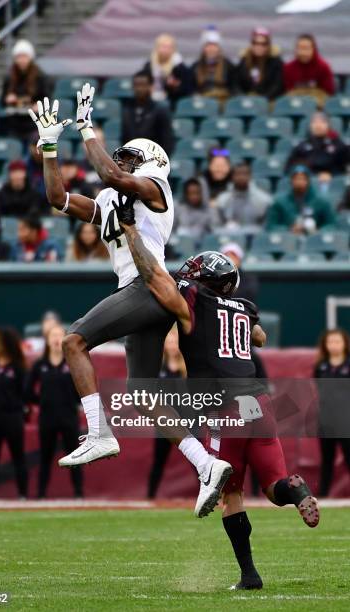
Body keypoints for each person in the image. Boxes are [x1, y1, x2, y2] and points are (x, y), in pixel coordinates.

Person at [28, 88, 232, 519]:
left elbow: (113, 177)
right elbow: (58, 199)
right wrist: (48, 148)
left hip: (147, 285)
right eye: (120, 158)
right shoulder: (110, 199)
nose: (121, 163)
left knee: (73, 341)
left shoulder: (156, 188)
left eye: (129, 159)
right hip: (142, 292)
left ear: (151, 164)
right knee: (142, 392)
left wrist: (86, 129)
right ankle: (207, 465)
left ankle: (100, 432)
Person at [118, 202, 320, 590]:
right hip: (258, 403)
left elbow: (154, 278)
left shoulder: (196, 301)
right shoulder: (243, 308)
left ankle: (249, 575)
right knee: (274, 485)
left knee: (229, 491)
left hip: (221, 408)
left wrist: (131, 234)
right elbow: (258, 336)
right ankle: (296, 491)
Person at [25, 325, 83, 498]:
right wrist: (41, 402)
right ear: (47, 340)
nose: (56, 339)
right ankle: (41, 494)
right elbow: (27, 390)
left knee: (75, 457)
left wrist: (76, 403)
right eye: (53, 336)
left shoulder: (71, 363)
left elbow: (82, 385)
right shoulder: (39, 365)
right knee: (45, 457)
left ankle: (78, 494)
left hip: (69, 417)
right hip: (47, 418)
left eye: (60, 335)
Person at [0, 327, 28, 498]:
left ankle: (22, 494)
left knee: (18, 457)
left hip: (12, 418)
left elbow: (24, 392)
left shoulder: (18, 368)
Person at [148, 326, 187, 499]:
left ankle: (208, 494)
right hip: (165, 423)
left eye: (175, 341)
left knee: (197, 459)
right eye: (169, 341)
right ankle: (150, 497)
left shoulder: (186, 367)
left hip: (185, 422)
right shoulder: (158, 366)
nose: (172, 345)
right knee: (158, 462)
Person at [314, 329, 350, 497]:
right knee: (327, 460)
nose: (334, 345)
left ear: (344, 343)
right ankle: (323, 496)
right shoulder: (321, 366)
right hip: (327, 420)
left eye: (337, 341)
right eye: (330, 342)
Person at [0, 39, 50, 140]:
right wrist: (7, 99)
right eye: (19, 57)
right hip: (14, 121)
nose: (22, 60)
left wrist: (39, 106)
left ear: (30, 58)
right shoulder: (9, 77)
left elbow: (47, 97)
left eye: (25, 56)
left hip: (34, 121)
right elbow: (2, 101)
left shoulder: (39, 76)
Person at [266, 165, 336, 233]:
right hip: (288, 239)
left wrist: (317, 232)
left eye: (303, 179)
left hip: (313, 240)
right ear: (291, 181)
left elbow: (331, 225)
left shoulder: (321, 201)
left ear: (308, 181)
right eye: (296, 179)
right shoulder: (280, 202)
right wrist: (289, 230)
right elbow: (271, 226)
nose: (299, 182)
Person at [121, 71, 174, 156]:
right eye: (136, 85)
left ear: (150, 86)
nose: (139, 89)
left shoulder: (160, 111)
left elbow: (167, 141)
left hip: (153, 160)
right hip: (131, 160)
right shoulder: (127, 110)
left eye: (142, 85)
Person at [286, 112, 349, 178]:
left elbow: (344, 168)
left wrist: (331, 175)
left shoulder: (339, 145)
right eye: (314, 122)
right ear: (310, 125)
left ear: (328, 125)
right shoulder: (301, 147)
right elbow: (290, 168)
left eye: (322, 122)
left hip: (332, 182)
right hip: (308, 182)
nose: (318, 125)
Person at [283, 34, 335, 106]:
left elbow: (328, 93)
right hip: (294, 106)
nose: (303, 52)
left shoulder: (323, 67)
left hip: (317, 108)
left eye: (306, 48)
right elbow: (287, 92)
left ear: (313, 49)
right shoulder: (288, 68)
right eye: (300, 48)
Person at [216, 162, 271, 228]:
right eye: (238, 174)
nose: (242, 177)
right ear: (232, 177)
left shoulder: (264, 199)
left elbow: (266, 225)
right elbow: (219, 225)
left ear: (250, 176)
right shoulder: (222, 199)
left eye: (245, 174)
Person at [142, 33, 191, 106]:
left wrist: (174, 87)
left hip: (172, 101)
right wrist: (148, 88)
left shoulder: (180, 67)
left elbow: (187, 89)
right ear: (157, 48)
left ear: (173, 49)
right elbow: (142, 80)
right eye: (163, 46)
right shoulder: (149, 65)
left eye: (169, 47)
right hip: (151, 100)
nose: (166, 50)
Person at [236, 27, 284, 100]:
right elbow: (236, 83)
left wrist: (262, 100)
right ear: (251, 44)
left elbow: (278, 86)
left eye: (263, 44)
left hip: (268, 102)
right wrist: (243, 97)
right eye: (255, 43)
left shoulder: (276, 62)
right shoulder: (244, 61)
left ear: (268, 45)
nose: (259, 46)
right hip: (246, 101)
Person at [190, 26, 235, 103]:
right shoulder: (195, 67)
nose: (211, 48)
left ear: (219, 47)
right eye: (208, 45)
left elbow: (233, 88)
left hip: (223, 104)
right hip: (202, 104)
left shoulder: (228, 66)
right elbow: (191, 89)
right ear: (203, 48)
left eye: (214, 45)